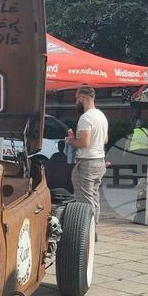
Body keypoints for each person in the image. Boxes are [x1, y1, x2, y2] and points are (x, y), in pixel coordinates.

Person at [66, 84, 108, 232]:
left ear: (83, 98)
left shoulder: (86, 117)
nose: (76, 102)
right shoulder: (101, 116)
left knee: (85, 200)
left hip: (87, 163)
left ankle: (86, 231)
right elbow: (105, 139)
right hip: (99, 161)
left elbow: (84, 142)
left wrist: (71, 141)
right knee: (94, 197)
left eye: (76, 98)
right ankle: (93, 228)